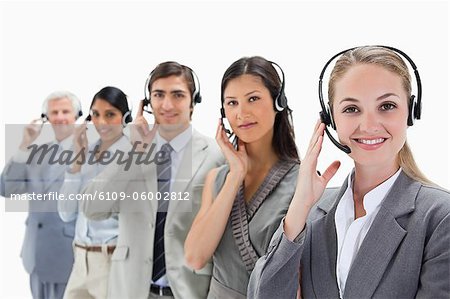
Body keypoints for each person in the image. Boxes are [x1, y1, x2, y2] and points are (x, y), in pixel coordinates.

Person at [248, 46, 450, 299]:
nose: (368, 125)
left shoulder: (441, 217)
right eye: (351, 109)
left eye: (387, 106)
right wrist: (299, 206)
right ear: (330, 119)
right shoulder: (311, 212)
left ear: (411, 111)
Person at [81, 61, 224, 299]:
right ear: (147, 103)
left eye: (177, 95)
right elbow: (92, 208)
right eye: (158, 95)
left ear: (193, 101)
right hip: (130, 289)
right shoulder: (126, 148)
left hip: (190, 291)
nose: (167, 105)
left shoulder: (215, 154)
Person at [184, 56, 300, 298]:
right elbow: (195, 257)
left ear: (278, 102)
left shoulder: (303, 182)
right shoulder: (217, 178)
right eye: (232, 103)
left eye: (253, 99)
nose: (241, 112)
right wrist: (235, 175)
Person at [0, 91, 82, 299]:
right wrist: (24, 145)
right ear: (46, 118)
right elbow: (6, 189)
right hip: (35, 251)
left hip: (68, 252)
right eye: (54, 112)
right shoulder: (35, 153)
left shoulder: (88, 152)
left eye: (65, 111)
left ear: (77, 115)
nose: (60, 117)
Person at [58, 86, 132, 298]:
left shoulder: (132, 158)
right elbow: (65, 213)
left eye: (110, 115)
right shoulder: (85, 155)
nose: (101, 122)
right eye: (96, 114)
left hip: (112, 261)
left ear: (125, 118)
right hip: (80, 261)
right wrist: (76, 164)